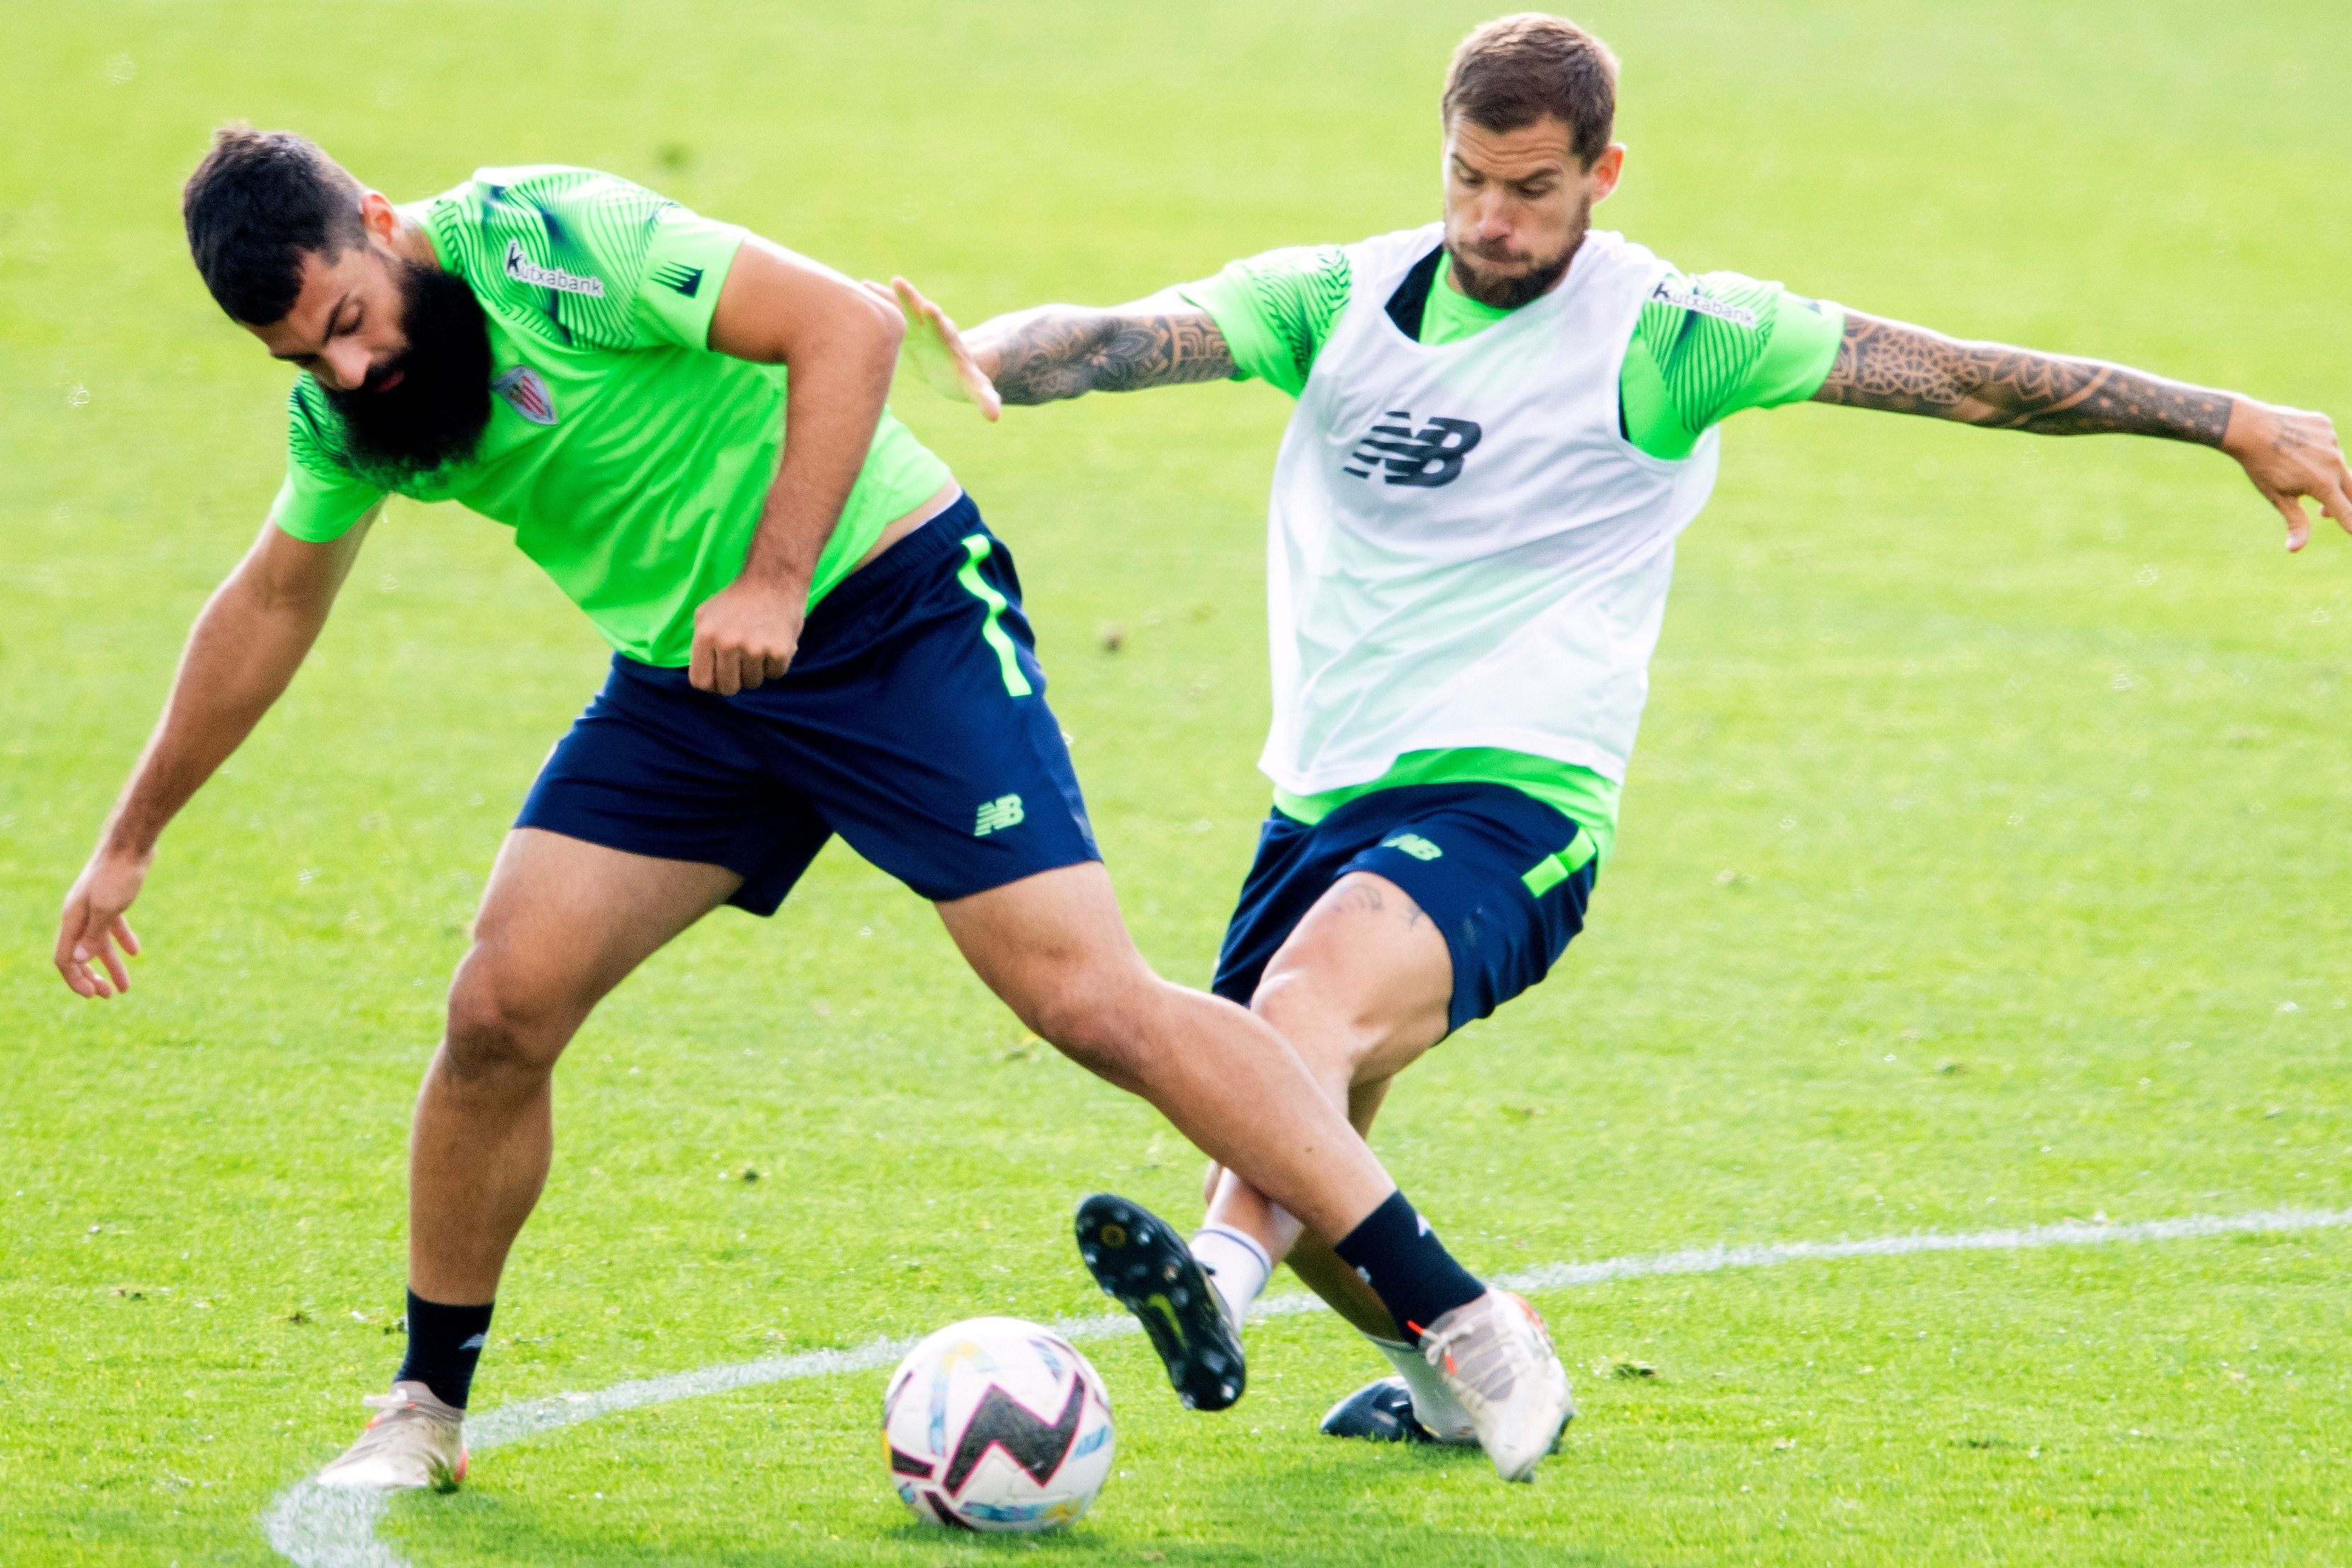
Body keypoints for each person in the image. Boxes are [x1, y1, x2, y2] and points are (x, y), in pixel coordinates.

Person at [888, 11, 2352, 1447]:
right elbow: (1138, 335)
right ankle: (1471, 1378)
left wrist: (2225, 417)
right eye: (1468, 177)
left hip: (1517, 800)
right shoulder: (1342, 299)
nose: (1493, 217)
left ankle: (1210, 1281)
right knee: (1300, 1149)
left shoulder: (1671, 334)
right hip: (1322, 795)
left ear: (1603, 173)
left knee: (1291, 1026)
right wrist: (1002, 357)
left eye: (1532, 188)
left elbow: (1959, 376)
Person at [52, 129, 1576, 1488]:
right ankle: (422, 1407)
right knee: (499, 1010)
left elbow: (842, 324)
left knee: (1088, 1000)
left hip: (889, 606)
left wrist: (776, 576)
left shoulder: (553, 242)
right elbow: (269, 601)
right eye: (301, 360)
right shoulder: (351, 417)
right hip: (696, 682)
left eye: (347, 324)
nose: (347, 373)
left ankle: (1468, 1324)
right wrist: (131, 838)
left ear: (379, 225)